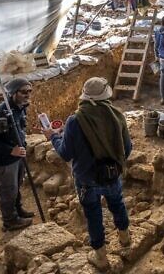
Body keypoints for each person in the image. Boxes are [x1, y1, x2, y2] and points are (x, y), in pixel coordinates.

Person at [44, 77, 132, 271]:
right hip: (112, 174)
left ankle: (100, 256)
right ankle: (125, 239)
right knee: (117, 204)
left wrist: (54, 137)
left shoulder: (75, 120)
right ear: (105, 95)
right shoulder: (117, 115)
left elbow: (66, 152)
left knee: (93, 214)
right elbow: (127, 148)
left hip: (86, 179)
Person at [0, 78, 34, 232]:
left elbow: (19, 129)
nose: (27, 95)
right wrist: (11, 150)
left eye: (29, 91)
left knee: (16, 186)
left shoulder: (20, 108)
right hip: (3, 160)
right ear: (13, 93)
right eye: (23, 92)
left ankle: (18, 211)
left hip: (17, 156)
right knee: (8, 190)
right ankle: (10, 221)